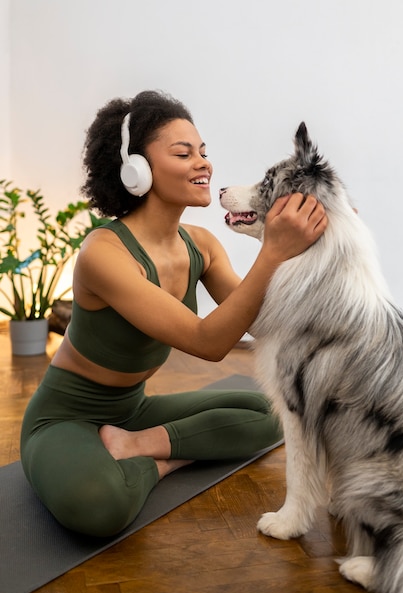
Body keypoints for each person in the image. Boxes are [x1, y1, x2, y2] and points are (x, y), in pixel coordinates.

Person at [20, 90, 327, 537]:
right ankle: (161, 462)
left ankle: (141, 446)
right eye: (184, 153)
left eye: (204, 152)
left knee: (271, 413)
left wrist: (312, 250)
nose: (204, 163)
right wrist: (274, 251)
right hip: (65, 416)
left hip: (133, 409)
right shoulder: (103, 252)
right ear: (136, 170)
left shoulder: (200, 244)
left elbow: (261, 323)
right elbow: (210, 342)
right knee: (98, 506)